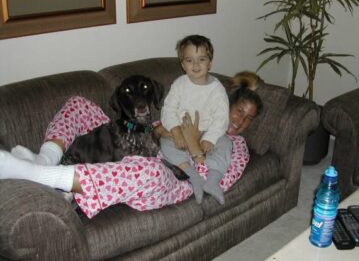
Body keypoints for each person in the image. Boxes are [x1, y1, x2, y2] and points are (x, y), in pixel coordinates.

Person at [0, 72, 263, 219]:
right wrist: (163, 129)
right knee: (79, 104)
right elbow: (154, 123)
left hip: (172, 180)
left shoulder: (235, 145)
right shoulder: (196, 113)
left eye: (250, 118)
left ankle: (36, 174)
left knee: (144, 168)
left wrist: (194, 148)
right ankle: (43, 159)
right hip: (141, 139)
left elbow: (213, 179)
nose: (241, 121)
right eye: (239, 111)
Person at [160, 34, 230, 205]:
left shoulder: (217, 89)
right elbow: (168, 109)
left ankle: (213, 180)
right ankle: (194, 177)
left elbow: (221, 118)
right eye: (190, 60)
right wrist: (176, 132)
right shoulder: (179, 84)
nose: (196, 65)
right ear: (183, 65)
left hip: (207, 131)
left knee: (226, 143)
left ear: (210, 62)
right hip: (182, 131)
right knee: (165, 143)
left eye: (202, 59)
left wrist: (210, 138)